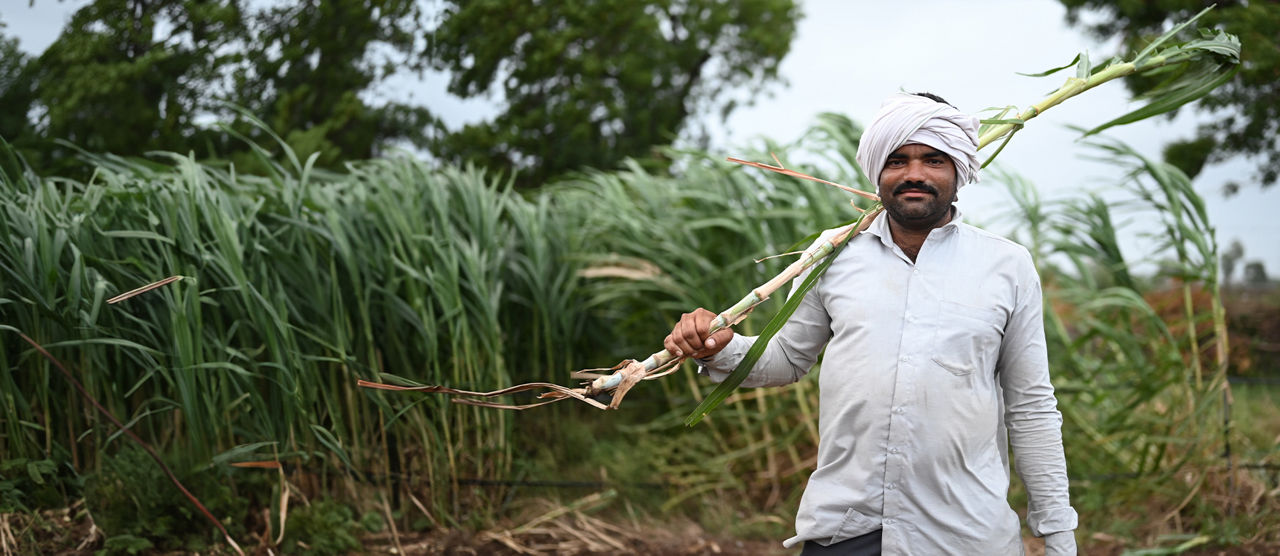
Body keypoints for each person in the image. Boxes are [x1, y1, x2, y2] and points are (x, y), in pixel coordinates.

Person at [664, 92, 1078, 555]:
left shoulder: (1007, 265)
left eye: (934, 159)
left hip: (965, 534)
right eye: (897, 160)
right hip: (846, 530)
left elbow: (1031, 407)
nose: (915, 174)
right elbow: (786, 359)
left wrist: (1057, 532)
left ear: (959, 171)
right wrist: (719, 348)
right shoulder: (833, 254)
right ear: (878, 170)